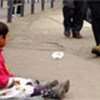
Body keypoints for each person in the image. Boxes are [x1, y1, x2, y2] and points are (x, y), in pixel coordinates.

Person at [0, 22, 70, 99]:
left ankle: (39, 86)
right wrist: (10, 81)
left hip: (4, 83)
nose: (8, 38)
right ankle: (49, 92)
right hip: (2, 88)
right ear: (1, 38)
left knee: (22, 81)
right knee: (24, 90)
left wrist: (12, 78)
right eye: (6, 36)